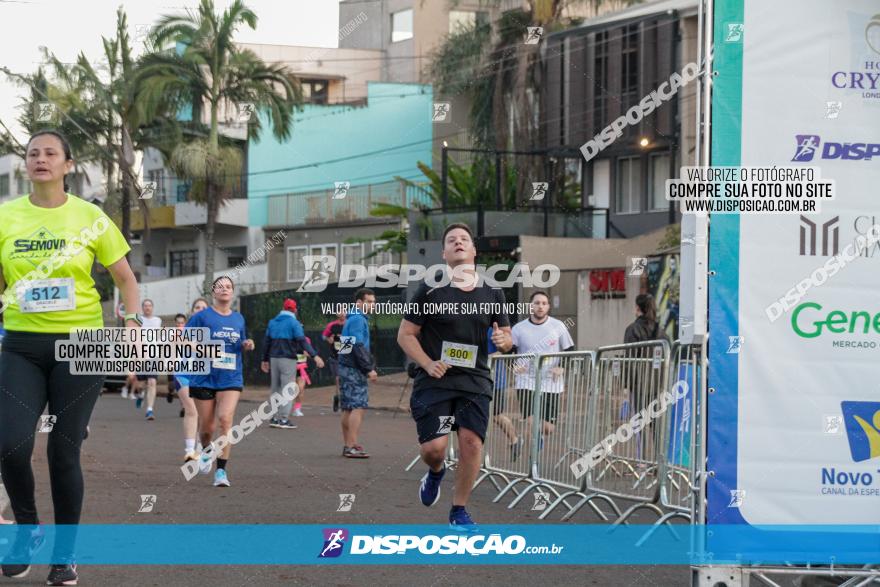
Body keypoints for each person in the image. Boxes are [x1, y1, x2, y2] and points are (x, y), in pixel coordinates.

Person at [0, 129, 141, 585]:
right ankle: (26, 530)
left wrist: (133, 321)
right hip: (21, 343)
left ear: (68, 164)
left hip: (82, 345)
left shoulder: (91, 216)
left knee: (64, 451)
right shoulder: (5, 217)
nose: (40, 159)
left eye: (50, 153)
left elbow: (125, 278)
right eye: (33, 153)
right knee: (10, 443)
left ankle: (64, 557)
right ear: (26, 164)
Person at [397, 223, 512, 532]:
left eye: (464, 239)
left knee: (471, 444)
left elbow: (506, 335)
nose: (458, 243)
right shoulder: (430, 289)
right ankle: (435, 473)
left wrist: (505, 341)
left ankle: (459, 510)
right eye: (452, 240)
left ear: (474, 250)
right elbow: (406, 335)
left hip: (474, 379)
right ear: (445, 253)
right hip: (436, 380)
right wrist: (427, 362)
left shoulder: (493, 292)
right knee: (434, 449)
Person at [186, 276, 254, 487]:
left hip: (230, 376)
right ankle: (206, 450)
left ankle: (221, 472)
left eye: (228, 287)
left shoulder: (238, 319)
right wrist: (201, 349)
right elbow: (181, 339)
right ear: (213, 292)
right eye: (220, 287)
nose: (224, 289)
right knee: (207, 429)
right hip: (204, 377)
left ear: (232, 293)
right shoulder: (202, 317)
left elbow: (240, 341)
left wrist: (247, 344)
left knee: (225, 419)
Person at [511, 291, 575, 453]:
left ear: (548, 306)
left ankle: (537, 435)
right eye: (537, 303)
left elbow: (571, 350)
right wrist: (513, 366)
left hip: (550, 382)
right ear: (531, 306)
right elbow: (509, 352)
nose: (540, 306)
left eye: (544, 303)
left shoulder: (558, 326)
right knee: (532, 420)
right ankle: (533, 456)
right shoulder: (519, 328)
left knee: (549, 428)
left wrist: (562, 367)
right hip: (526, 380)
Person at [260, 298, 324, 429]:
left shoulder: (272, 322)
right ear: (294, 310)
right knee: (287, 389)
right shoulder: (294, 323)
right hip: (288, 358)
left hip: (274, 358)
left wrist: (264, 360)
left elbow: (266, 342)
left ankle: (274, 418)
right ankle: (283, 419)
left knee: (275, 388)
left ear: (283, 308)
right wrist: (315, 356)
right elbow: (302, 341)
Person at [338, 288, 377, 458]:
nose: (372, 305)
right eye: (369, 302)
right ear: (359, 303)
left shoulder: (350, 319)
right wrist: (368, 368)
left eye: (373, 302)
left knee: (348, 407)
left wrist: (344, 365)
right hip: (354, 369)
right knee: (358, 406)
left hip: (347, 367)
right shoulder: (358, 320)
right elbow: (357, 345)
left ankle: (348, 445)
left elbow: (346, 347)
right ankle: (352, 446)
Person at [174, 298, 208, 461]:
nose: (200, 309)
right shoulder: (185, 329)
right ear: (192, 311)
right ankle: (189, 450)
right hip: (184, 374)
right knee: (192, 410)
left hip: (204, 376)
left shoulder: (213, 329)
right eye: (197, 307)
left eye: (203, 307)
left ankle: (202, 447)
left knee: (204, 414)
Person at [135, 299, 162, 419]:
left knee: (152, 382)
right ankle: (140, 394)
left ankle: (149, 410)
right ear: (142, 308)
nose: (147, 308)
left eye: (150, 305)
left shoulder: (158, 321)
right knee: (140, 384)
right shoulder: (139, 319)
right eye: (145, 306)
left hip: (153, 356)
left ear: (153, 307)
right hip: (141, 355)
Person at [322, 310, 346, 412]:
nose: (342, 313)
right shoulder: (332, 325)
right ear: (337, 313)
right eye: (340, 311)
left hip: (346, 355)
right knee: (338, 379)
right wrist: (329, 339)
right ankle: (337, 398)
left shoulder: (349, 324)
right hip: (335, 356)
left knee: (345, 379)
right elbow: (324, 336)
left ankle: (344, 400)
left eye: (344, 311)